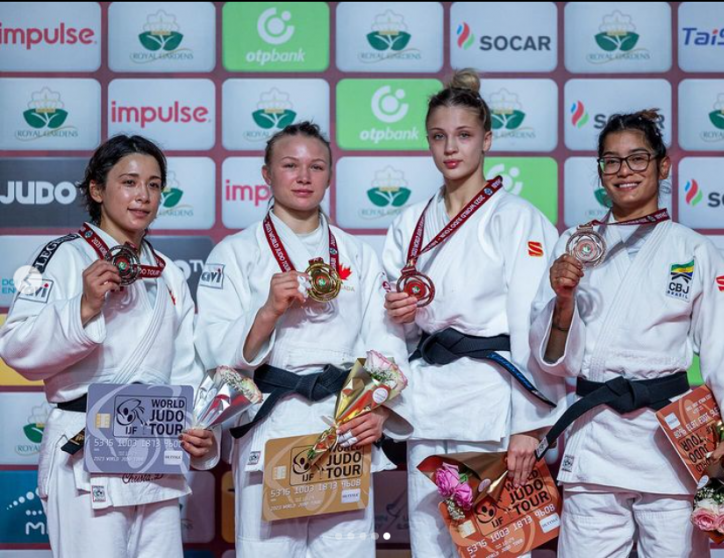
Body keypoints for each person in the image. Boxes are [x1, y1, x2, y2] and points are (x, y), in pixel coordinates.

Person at [193, 121, 412, 558]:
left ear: (330, 176)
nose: (304, 176)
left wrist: (380, 411)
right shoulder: (235, 253)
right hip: (270, 426)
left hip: (343, 428)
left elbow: (385, 344)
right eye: (290, 165)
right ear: (266, 174)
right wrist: (267, 312)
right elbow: (215, 352)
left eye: (316, 166)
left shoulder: (357, 254)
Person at [0, 135, 212, 558]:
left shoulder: (167, 272)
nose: (143, 195)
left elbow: (187, 368)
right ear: (97, 190)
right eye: (129, 182)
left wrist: (199, 426)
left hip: (156, 449)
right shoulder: (63, 256)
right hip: (87, 448)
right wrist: (83, 307)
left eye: (154, 185)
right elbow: (15, 346)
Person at [382, 69, 563, 557]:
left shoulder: (517, 218)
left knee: (497, 548)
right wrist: (399, 313)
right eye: (438, 136)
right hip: (427, 404)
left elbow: (534, 324)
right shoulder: (409, 222)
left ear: (487, 139)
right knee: (430, 547)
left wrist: (528, 424)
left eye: (463, 135)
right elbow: (394, 331)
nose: (450, 148)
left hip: (491, 405)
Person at [529, 110, 724, 558]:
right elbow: (551, 360)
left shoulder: (694, 249)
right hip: (597, 437)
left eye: (637, 158)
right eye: (612, 161)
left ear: (663, 165)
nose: (624, 171)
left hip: (668, 441)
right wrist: (563, 300)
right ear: (600, 171)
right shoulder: (574, 245)